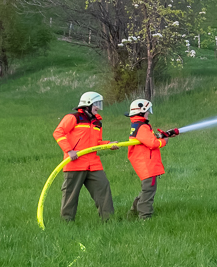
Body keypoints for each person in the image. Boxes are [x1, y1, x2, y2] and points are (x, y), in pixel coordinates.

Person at [53, 91, 115, 222]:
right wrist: (69, 150)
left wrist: (108, 144)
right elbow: (58, 133)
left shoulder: (97, 122)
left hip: (93, 164)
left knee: (103, 189)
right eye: (96, 104)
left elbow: (96, 143)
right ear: (88, 104)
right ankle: (66, 223)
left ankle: (109, 220)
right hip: (75, 163)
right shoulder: (73, 117)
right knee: (70, 195)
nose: (98, 107)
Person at [124, 99, 178, 219]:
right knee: (148, 191)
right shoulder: (142, 127)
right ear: (142, 111)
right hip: (147, 164)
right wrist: (164, 141)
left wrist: (164, 135)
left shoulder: (138, 125)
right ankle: (145, 217)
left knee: (146, 190)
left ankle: (132, 215)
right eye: (147, 110)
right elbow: (153, 143)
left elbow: (148, 138)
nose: (148, 113)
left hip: (145, 163)